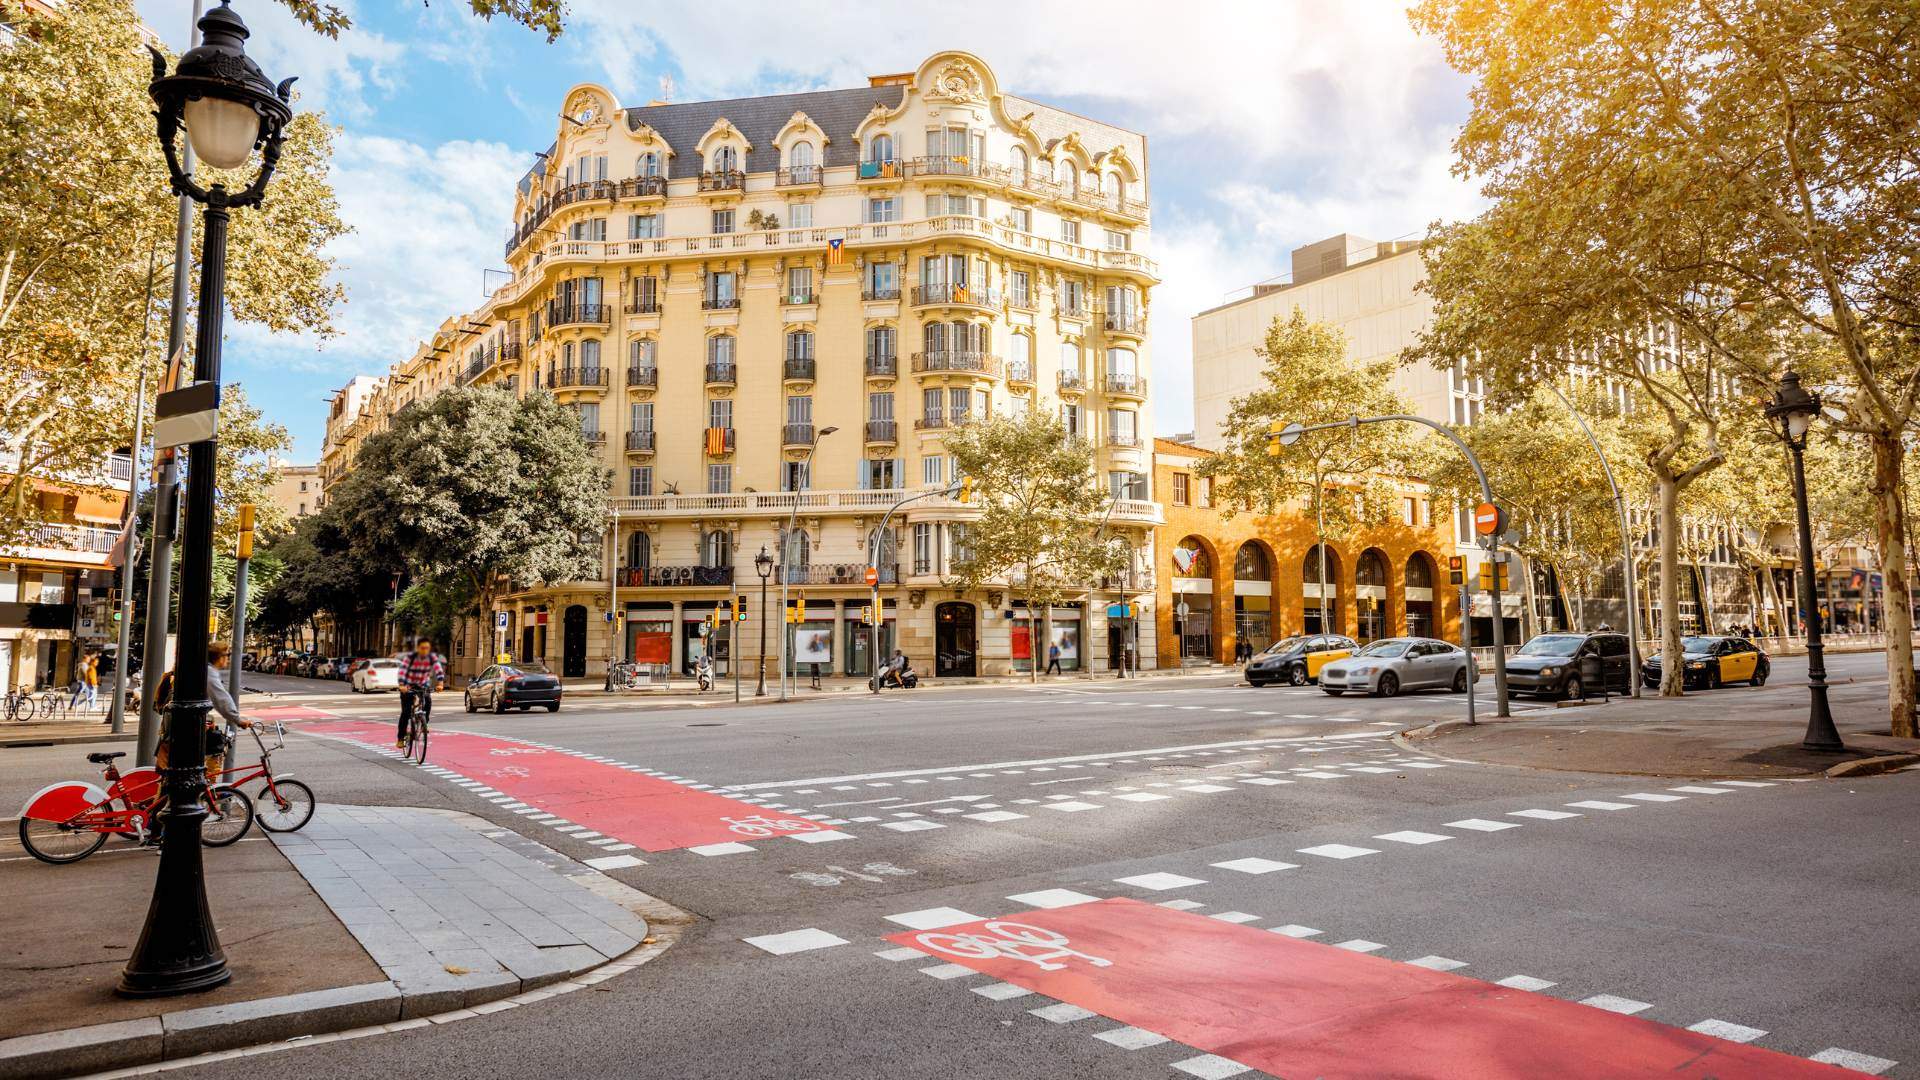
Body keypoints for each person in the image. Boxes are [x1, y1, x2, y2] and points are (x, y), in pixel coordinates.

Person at [396, 638, 446, 748]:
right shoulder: (410, 657)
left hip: (423, 685)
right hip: (408, 685)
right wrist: (401, 685)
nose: (425, 650)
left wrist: (440, 684)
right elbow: (402, 671)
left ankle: (424, 724)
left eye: (427, 648)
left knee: (427, 700)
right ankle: (400, 738)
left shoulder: (431, 657)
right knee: (406, 712)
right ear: (418, 648)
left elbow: (438, 669)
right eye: (423, 648)